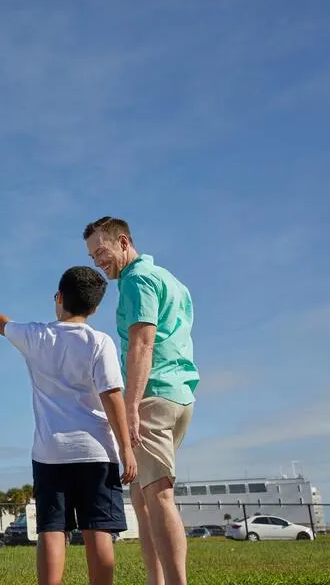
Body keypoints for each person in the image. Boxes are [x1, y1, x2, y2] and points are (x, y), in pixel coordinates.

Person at [0, 266, 136, 585]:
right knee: (98, 529)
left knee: (52, 529)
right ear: (95, 307)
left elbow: (3, 325)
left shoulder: (36, 335)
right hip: (97, 452)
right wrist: (126, 448)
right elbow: (112, 397)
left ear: (59, 298)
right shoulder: (100, 342)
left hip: (50, 453)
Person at [82, 217, 199, 585]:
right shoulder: (169, 280)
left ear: (123, 241)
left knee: (158, 497)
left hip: (152, 397)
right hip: (179, 395)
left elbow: (142, 343)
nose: (98, 261)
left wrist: (130, 407)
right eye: (92, 255)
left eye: (101, 251)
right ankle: (155, 579)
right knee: (143, 498)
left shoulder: (135, 280)